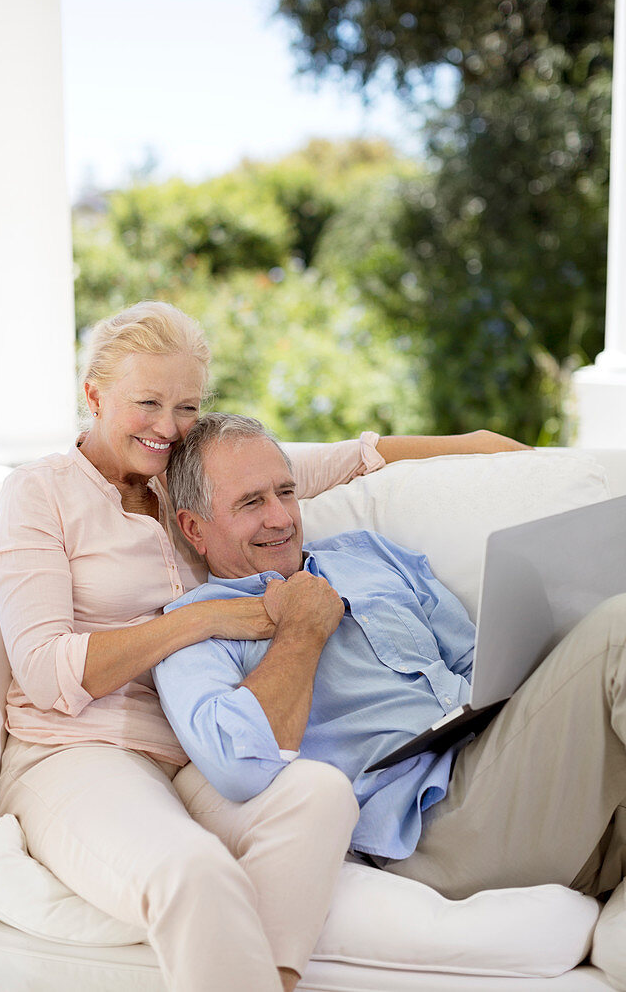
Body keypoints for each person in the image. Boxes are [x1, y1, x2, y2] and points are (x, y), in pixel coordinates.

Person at [0, 300, 530, 992]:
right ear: (93, 395)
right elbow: (44, 667)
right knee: (192, 870)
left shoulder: (187, 476)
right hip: (79, 750)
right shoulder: (40, 496)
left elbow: (352, 459)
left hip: (192, 749)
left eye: (186, 406)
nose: (167, 428)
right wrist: (198, 621)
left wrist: (482, 442)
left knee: (322, 794)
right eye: (146, 403)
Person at [154, 412, 626, 992]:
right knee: (620, 629)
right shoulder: (192, 630)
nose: (280, 518)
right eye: (251, 503)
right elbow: (237, 764)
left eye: (285, 492)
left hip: (516, 778)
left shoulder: (368, 556)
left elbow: (476, 665)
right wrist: (301, 630)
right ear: (194, 528)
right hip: (436, 825)